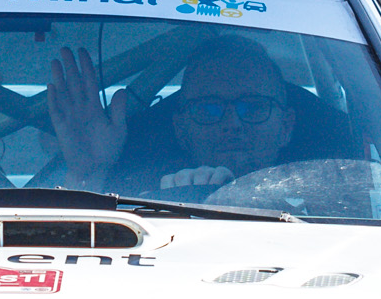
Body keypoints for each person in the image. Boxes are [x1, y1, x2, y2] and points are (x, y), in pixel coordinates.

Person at [47, 34, 299, 195]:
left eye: (253, 108)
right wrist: (90, 174)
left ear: (286, 127)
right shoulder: (137, 209)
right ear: (180, 130)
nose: (232, 123)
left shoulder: (321, 214)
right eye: (208, 109)